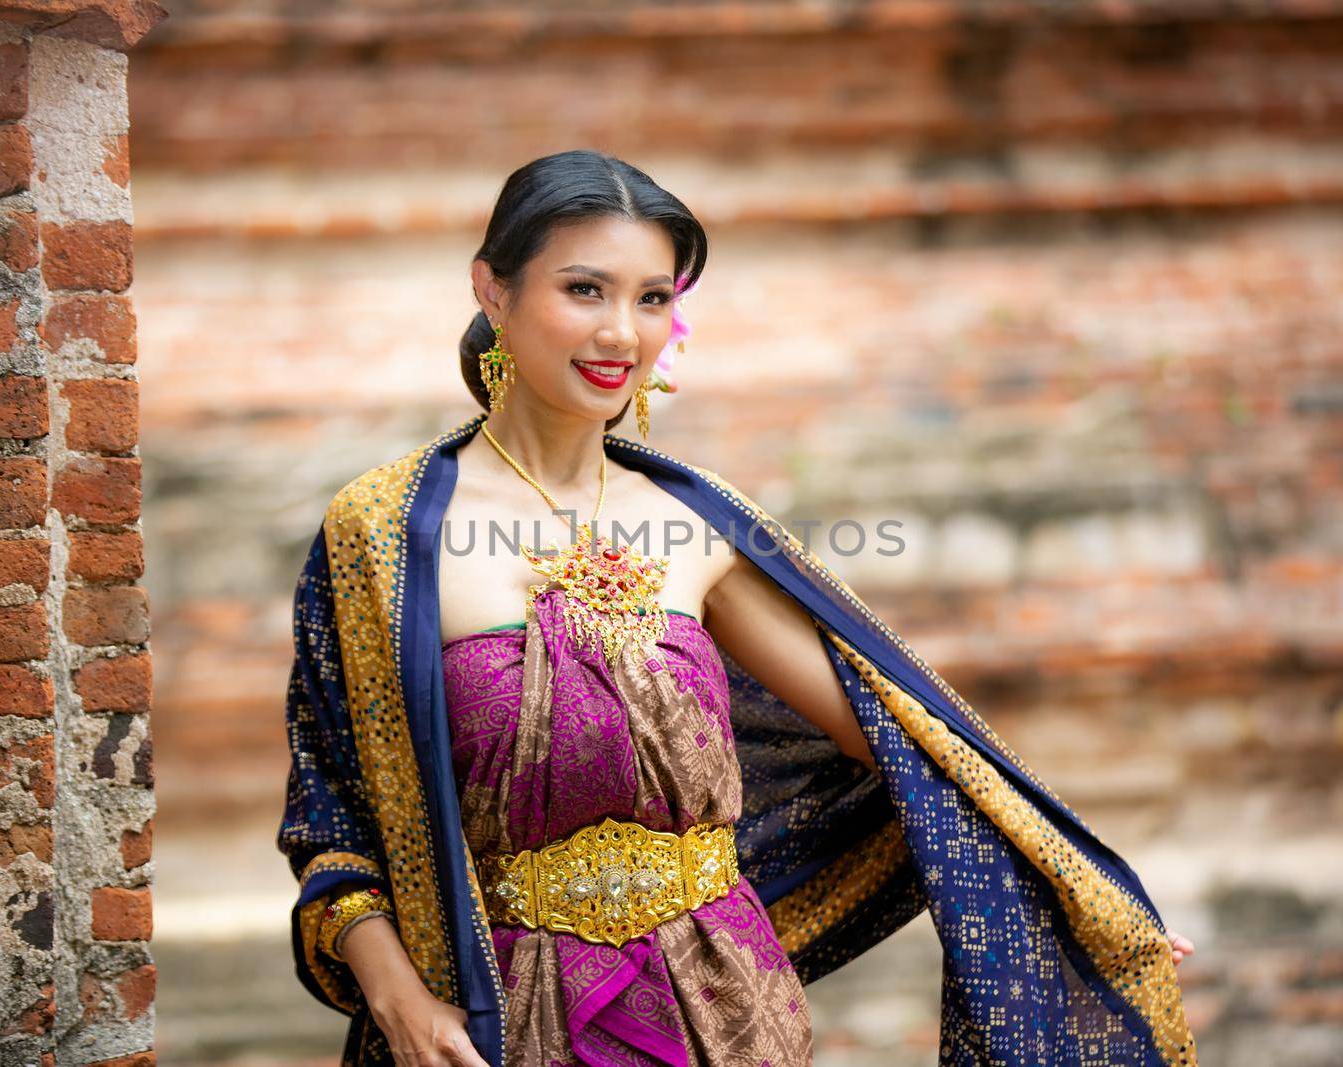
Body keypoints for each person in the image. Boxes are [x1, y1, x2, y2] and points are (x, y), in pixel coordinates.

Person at [278, 148, 1197, 1067]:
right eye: (585, 290)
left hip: (723, 1006)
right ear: (493, 289)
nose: (621, 334)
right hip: (506, 1019)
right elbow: (332, 818)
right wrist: (399, 1000)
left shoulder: (698, 524)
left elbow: (896, 733)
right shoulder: (387, 533)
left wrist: (1074, 890)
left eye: (651, 298)